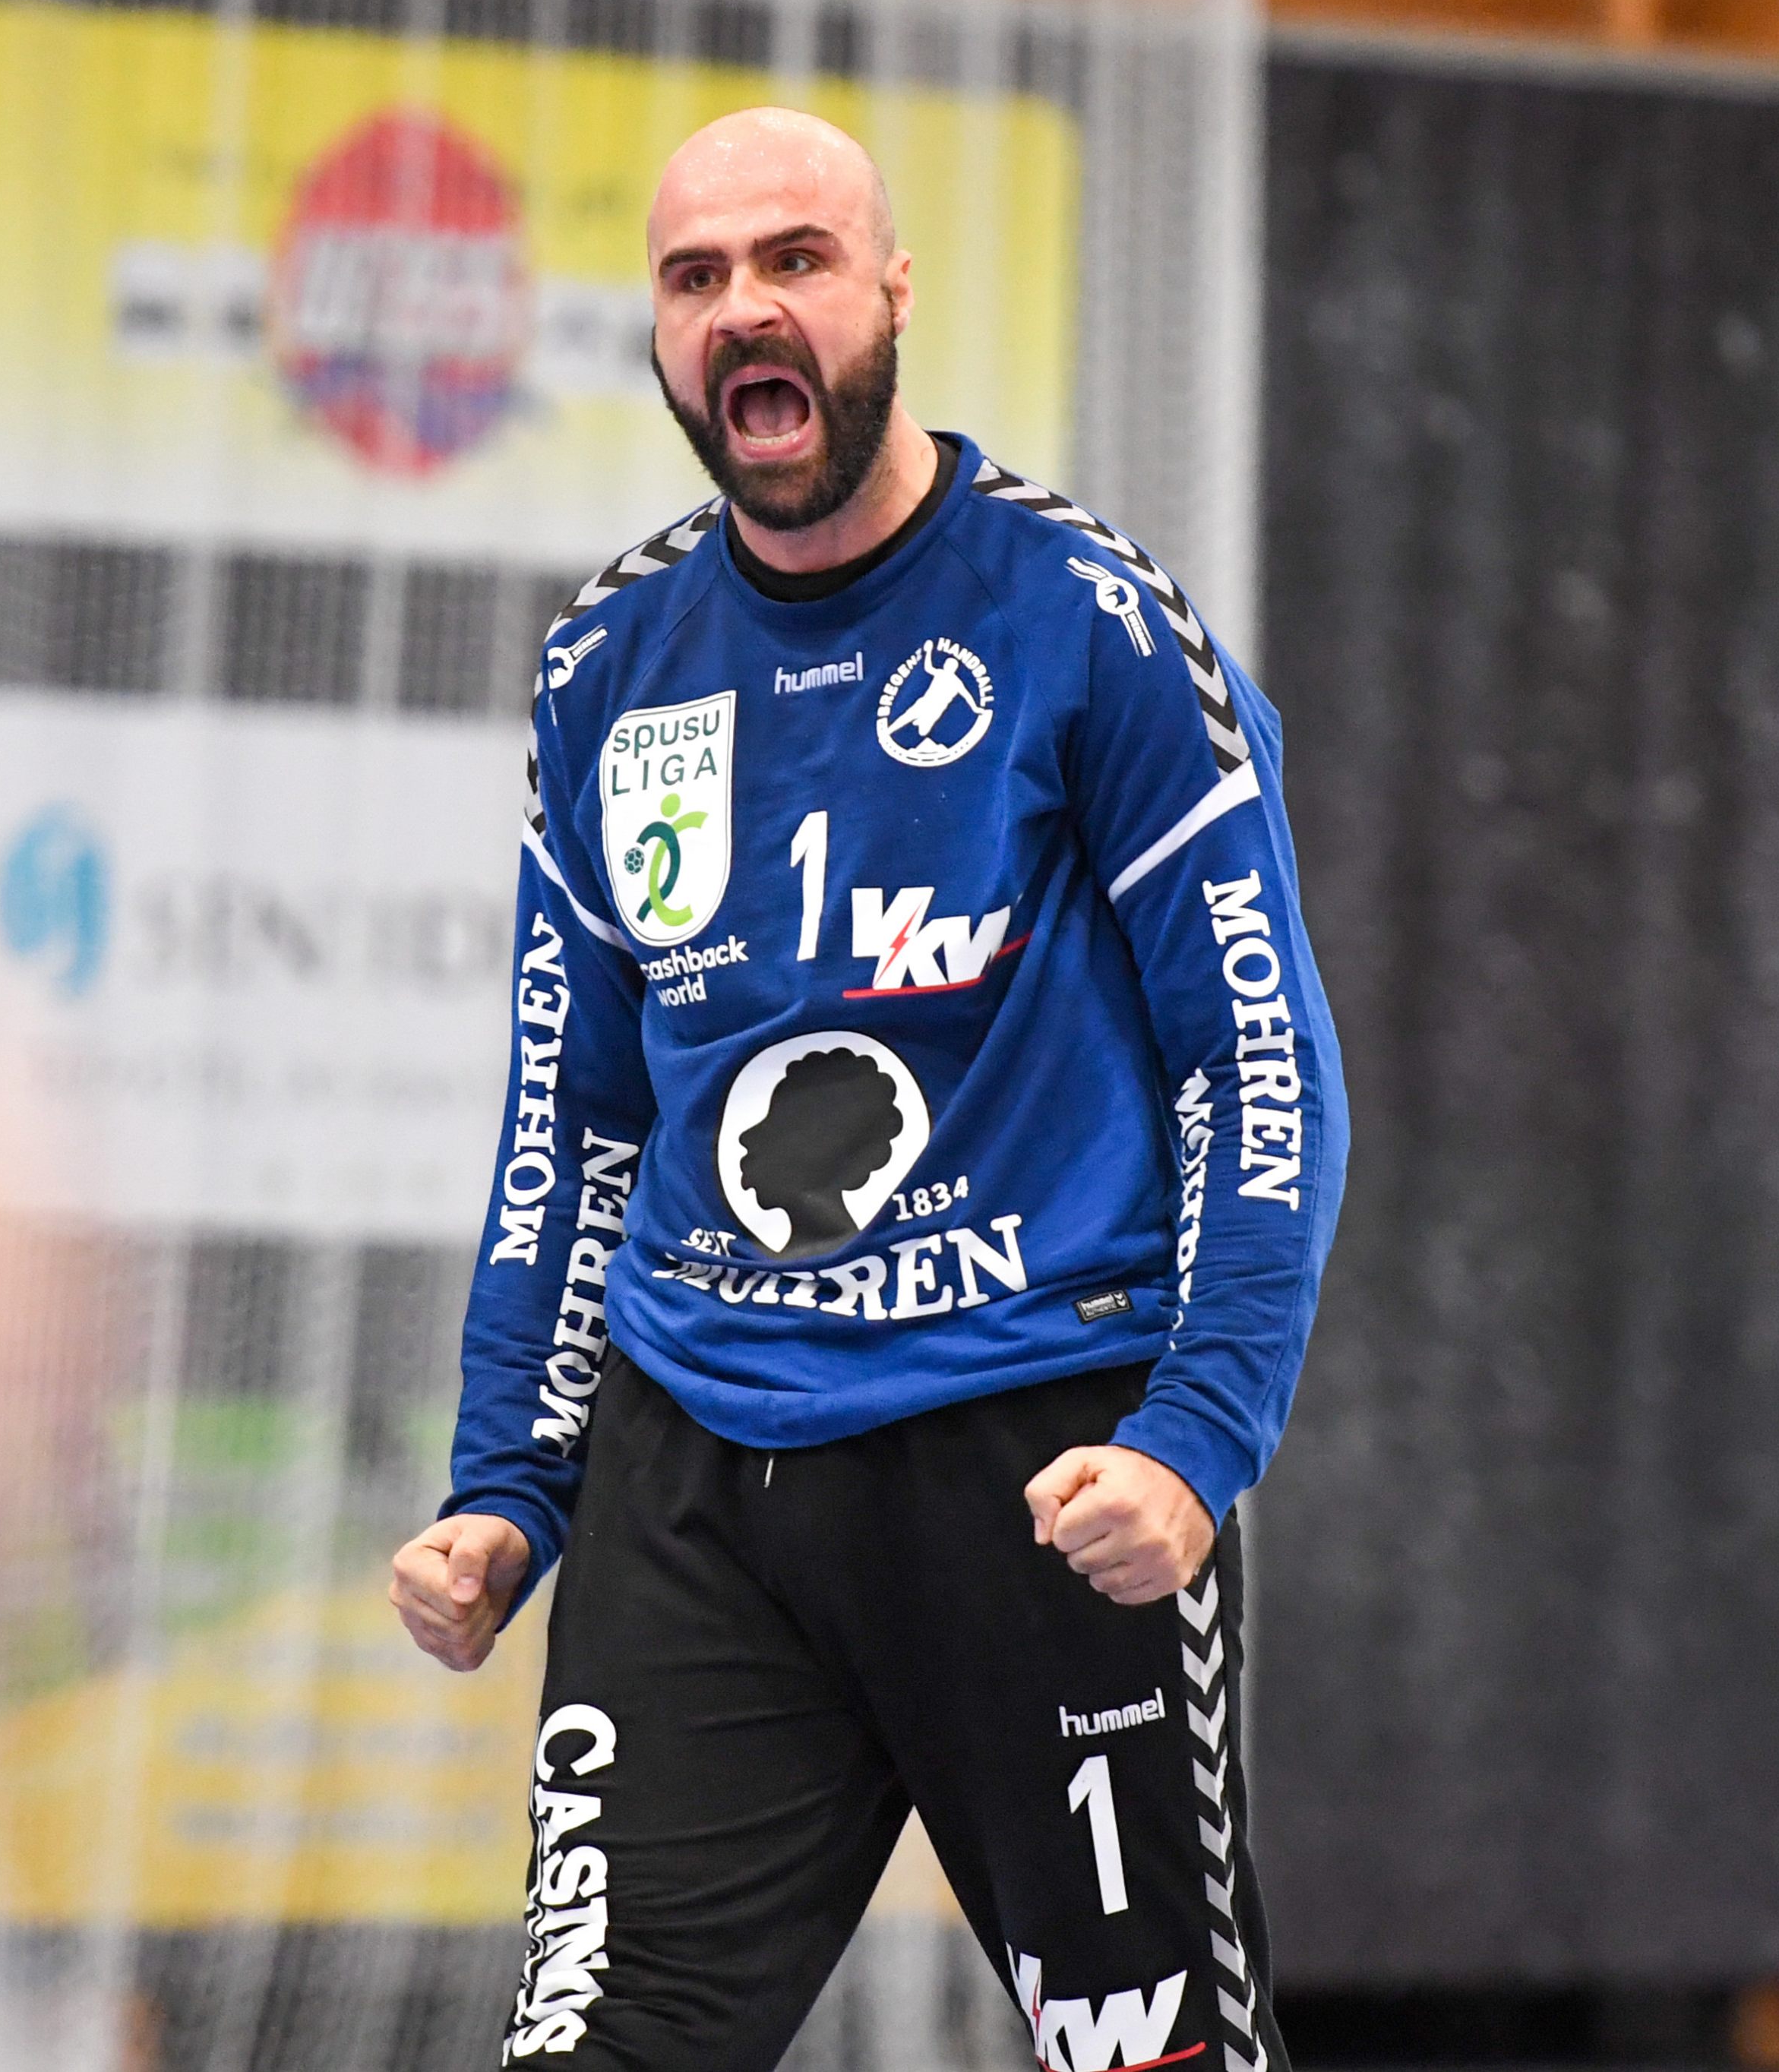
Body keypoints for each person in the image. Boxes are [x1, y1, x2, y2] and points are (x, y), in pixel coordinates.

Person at [390, 106, 1346, 2071]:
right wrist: (509, 1481)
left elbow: (1258, 1060)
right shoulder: (609, 667)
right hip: (697, 1474)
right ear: (660, 335)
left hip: (1036, 1466)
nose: (747, 308)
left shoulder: (1087, 621)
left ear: (893, 293)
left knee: (1148, 2056)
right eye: (696, 276)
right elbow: (572, 1120)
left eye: (796, 260)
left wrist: (1195, 1441)